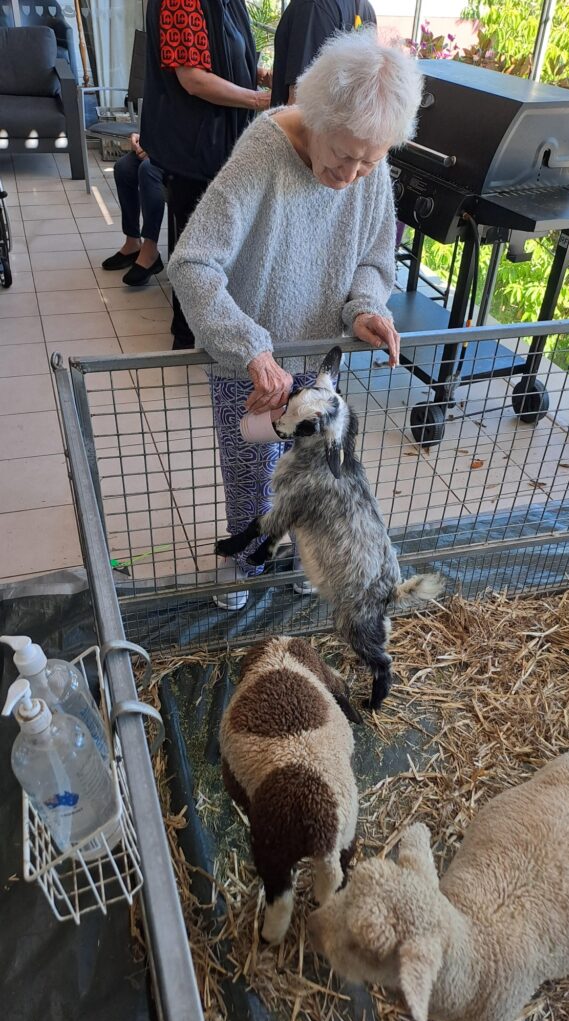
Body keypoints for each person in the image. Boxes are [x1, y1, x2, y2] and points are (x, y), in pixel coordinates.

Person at [168, 30, 423, 609]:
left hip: (320, 360)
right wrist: (251, 348)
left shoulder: (368, 155)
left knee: (317, 472)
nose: (353, 174)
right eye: (344, 157)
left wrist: (365, 308)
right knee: (249, 471)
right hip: (249, 363)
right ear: (317, 117)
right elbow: (192, 263)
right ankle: (245, 560)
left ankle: (310, 554)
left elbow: (374, 258)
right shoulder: (266, 150)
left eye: (369, 162)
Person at [140, 0, 271, 349]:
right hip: (193, 149)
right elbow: (193, 79)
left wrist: (258, 73)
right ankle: (186, 341)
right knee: (194, 247)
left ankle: (204, 331)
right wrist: (259, 100)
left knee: (209, 242)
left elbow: (221, 54)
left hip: (215, 145)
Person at [271, 0, 377, 106]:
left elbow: (299, 103)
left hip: (313, 115)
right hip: (344, 115)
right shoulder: (366, 9)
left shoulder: (313, 6)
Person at [102, 133, 165, 286]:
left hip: (187, 150)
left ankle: (150, 250)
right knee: (123, 167)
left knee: (148, 169)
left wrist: (158, 149)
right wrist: (141, 139)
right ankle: (133, 243)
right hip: (161, 144)